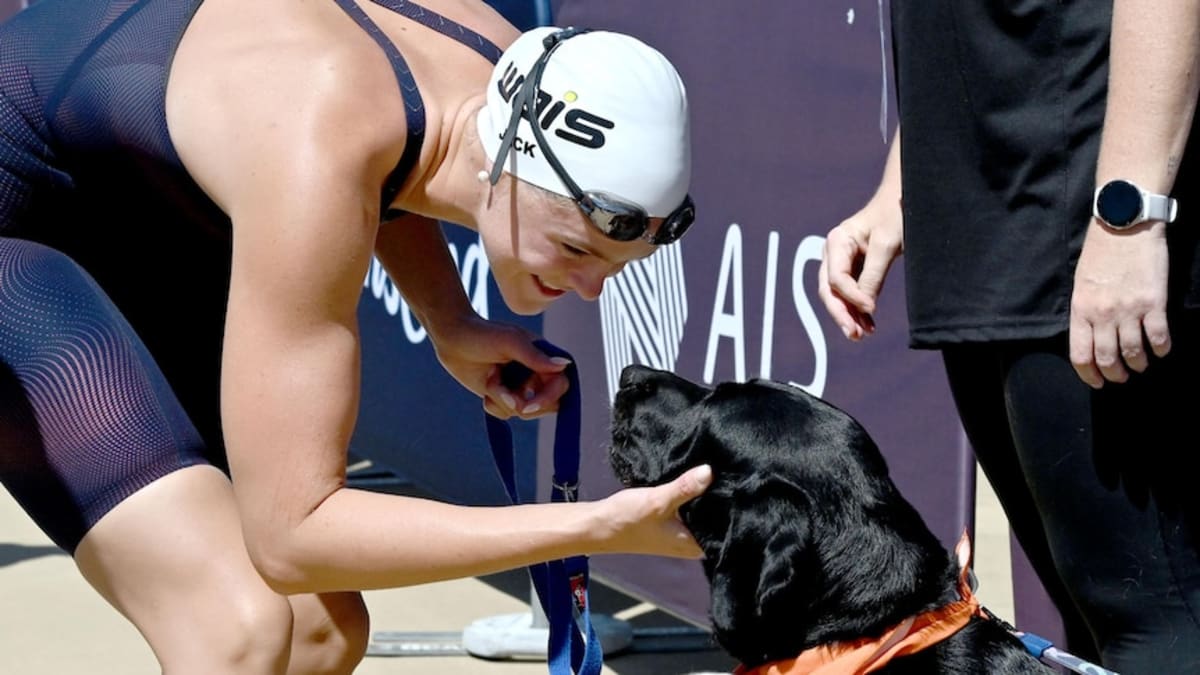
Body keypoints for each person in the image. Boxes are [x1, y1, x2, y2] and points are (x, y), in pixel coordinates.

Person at [0, 0, 709, 673]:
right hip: (21, 219)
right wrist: (592, 528)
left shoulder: (501, 74)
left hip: (130, 204)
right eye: (575, 250)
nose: (590, 288)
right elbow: (294, 536)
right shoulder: (317, 133)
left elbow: (398, 151)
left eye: (615, 264)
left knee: (322, 629)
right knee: (236, 625)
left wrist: (448, 321)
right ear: (505, 164)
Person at [818, 2, 1200, 672]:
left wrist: (1130, 214)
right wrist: (902, 184)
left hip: (1086, 196)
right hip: (984, 209)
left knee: (1152, 611)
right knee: (1089, 611)